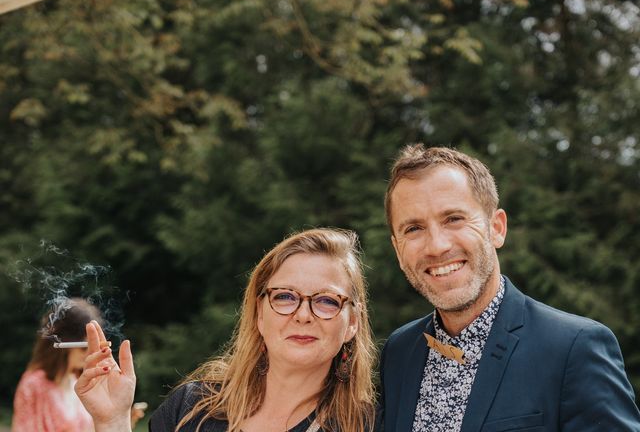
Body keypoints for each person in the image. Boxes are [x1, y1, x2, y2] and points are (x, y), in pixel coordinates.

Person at [379, 144, 640, 431]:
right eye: (414, 229)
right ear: (397, 250)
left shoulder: (574, 349)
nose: (437, 246)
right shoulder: (399, 352)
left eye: (454, 219)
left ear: (497, 228)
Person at [75, 228, 376, 432]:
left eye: (326, 300)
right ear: (259, 313)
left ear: (352, 322)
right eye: (285, 296)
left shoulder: (370, 426)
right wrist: (112, 421)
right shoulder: (191, 408)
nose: (302, 315)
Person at [11, 297, 146, 432]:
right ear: (63, 345)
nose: (89, 354)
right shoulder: (34, 384)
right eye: (83, 348)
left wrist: (118, 420)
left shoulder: (78, 382)